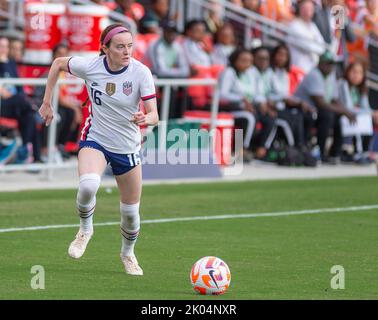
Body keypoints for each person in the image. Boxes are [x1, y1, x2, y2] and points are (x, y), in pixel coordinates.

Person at [39, 24, 159, 275]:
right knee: (88, 185)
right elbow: (58, 64)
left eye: (130, 46)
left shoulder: (141, 73)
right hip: (96, 139)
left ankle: (128, 254)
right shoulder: (91, 66)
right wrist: (47, 101)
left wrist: (144, 119)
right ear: (105, 49)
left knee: (130, 214)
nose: (127, 51)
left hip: (127, 147)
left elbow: (154, 115)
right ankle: (85, 229)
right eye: (120, 47)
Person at [294, 50, 356, 163]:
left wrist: (346, 111)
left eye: (332, 64)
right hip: (303, 109)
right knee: (328, 116)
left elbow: (334, 99)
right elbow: (320, 102)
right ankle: (320, 151)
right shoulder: (314, 74)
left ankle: (334, 153)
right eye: (328, 63)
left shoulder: (331, 76)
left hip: (318, 110)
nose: (330, 67)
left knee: (339, 117)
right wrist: (344, 111)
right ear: (320, 64)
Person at [0, 36, 40, 164]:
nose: (3, 49)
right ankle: (34, 109)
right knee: (24, 104)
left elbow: (19, 87)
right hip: (3, 103)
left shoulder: (11, 63)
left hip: (15, 104)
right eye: (1, 46)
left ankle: (33, 155)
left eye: (5, 46)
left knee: (29, 116)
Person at [219, 48, 257, 162]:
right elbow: (222, 95)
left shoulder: (249, 74)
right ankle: (240, 150)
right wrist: (241, 99)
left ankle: (255, 149)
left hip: (242, 106)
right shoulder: (229, 72)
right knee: (248, 118)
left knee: (263, 115)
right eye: (243, 60)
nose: (247, 64)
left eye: (249, 61)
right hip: (225, 107)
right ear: (235, 60)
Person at [338, 61, 375, 163]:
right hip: (343, 114)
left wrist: (373, 113)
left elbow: (365, 106)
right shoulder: (343, 84)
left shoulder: (361, 87)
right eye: (354, 72)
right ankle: (358, 153)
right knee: (362, 118)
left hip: (354, 115)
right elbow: (348, 107)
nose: (356, 75)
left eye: (360, 72)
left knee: (370, 118)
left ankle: (366, 151)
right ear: (348, 72)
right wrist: (369, 113)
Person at [287, 0, 325, 73]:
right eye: (304, 8)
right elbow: (308, 46)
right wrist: (316, 46)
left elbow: (322, 45)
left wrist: (317, 47)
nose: (307, 12)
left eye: (310, 9)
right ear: (299, 9)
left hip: (311, 69)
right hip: (297, 69)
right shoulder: (294, 25)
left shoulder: (313, 26)